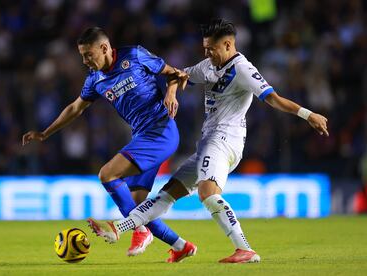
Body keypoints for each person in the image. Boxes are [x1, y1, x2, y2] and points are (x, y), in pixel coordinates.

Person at [87, 19, 329, 263]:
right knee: (167, 194)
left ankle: (244, 248)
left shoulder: (243, 69)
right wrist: (170, 90)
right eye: (204, 48)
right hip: (208, 142)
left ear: (227, 44)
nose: (207, 53)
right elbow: (177, 76)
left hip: (226, 140)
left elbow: (273, 98)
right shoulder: (208, 66)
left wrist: (308, 115)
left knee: (208, 193)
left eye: (211, 49)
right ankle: (119, 227)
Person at [22, 27, 197, 262]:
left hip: (161, 131)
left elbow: (176, 74)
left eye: (88, 54)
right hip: (141, 137)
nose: (85, 61)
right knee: (137, 207)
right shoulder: (95, 80)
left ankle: (140, 231)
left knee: (107, 174)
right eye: (82, 56)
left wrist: (171, 93)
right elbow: (75, 108)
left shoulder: (134, 56)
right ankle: (181, 246)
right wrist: (45, 133)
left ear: (104, 48)